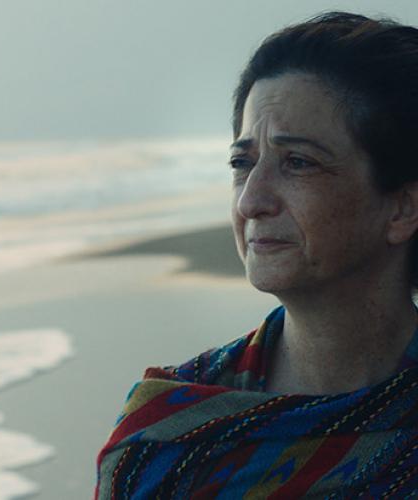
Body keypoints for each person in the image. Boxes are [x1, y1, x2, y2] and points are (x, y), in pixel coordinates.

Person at [96, 12, 418, 498]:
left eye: (298, 162)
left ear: (403, 208)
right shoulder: (169, 441)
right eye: (242, 163)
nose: (251, 201)